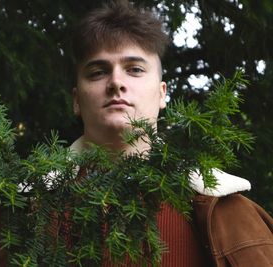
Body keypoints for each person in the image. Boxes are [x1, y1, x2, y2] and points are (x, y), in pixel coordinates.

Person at [68, 0, 273, 266]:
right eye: (98, 72)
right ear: (76, 100)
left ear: (162, 93)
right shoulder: (23, 207)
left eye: (135, 69)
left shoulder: (225, 211)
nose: (116, 82)